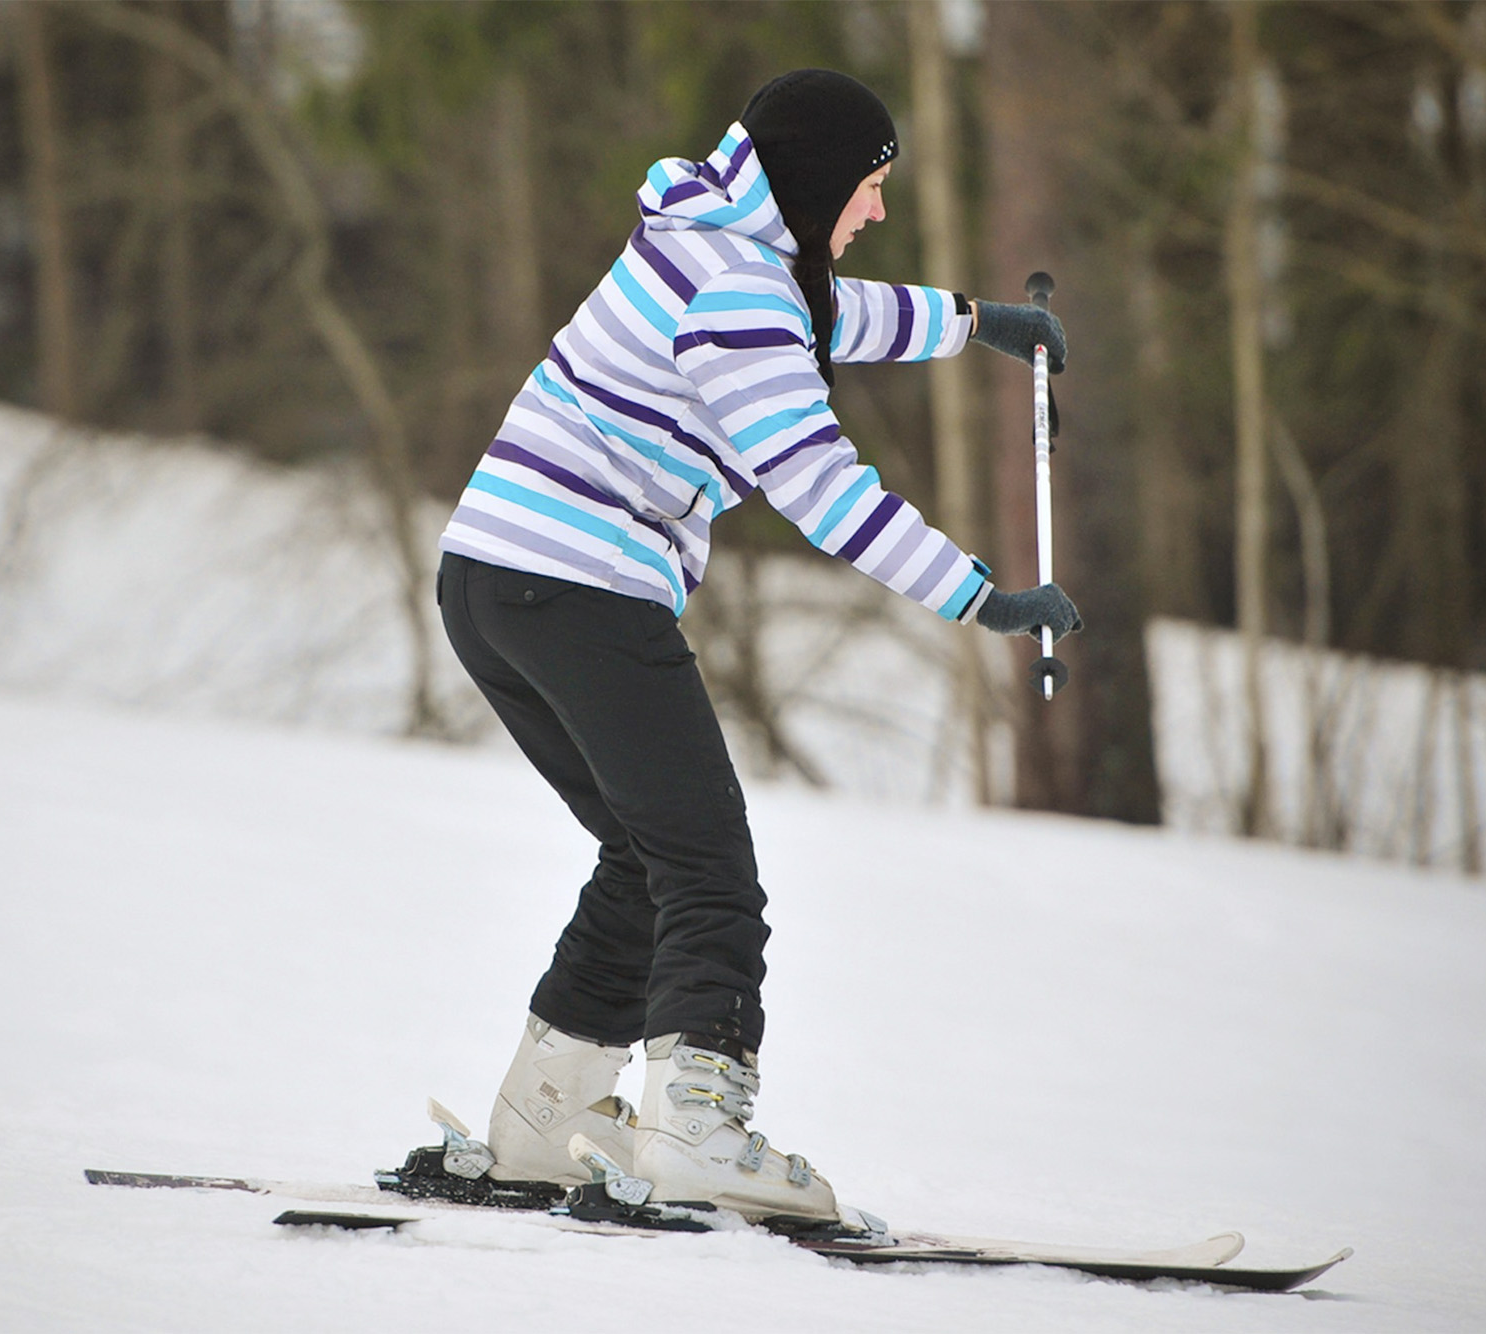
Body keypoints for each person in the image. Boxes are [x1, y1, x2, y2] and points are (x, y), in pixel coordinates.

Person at [435, 69, 1081, 1223]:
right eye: (869, 186)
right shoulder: (740, 295)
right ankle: (698, 1129)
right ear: (817, 179)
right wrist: (983, 597)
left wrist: (980, 323)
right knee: (708, 870)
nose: (875, 210)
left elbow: (835, 313)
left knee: (646, 853)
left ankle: (548, 1115)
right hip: (579, 583)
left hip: (493, 576)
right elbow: (822, 488)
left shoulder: (711, 243)